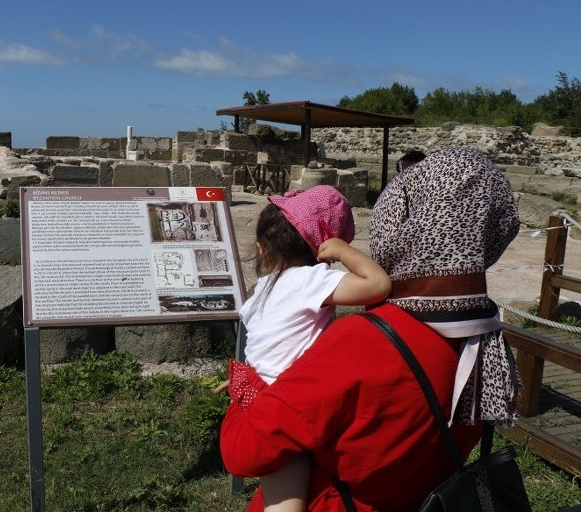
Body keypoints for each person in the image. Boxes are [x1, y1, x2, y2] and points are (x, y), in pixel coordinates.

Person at [220, 146, 521, 511]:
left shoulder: (363, 342)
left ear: (398, 223)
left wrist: (241, 392)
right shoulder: (489, 343)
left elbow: (246, 453)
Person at [216, 185, 392, 512]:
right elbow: (378, 284)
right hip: (278, 413)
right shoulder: (310, 280)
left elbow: (265, 344)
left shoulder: (264, 287)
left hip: (250, 399)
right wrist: (342, 252)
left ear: (262, 249)